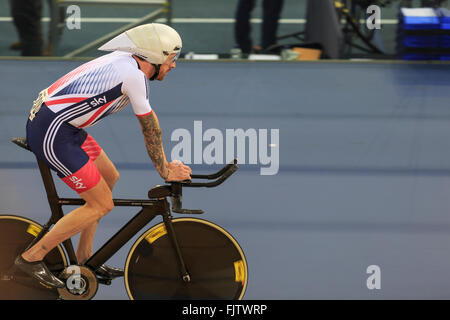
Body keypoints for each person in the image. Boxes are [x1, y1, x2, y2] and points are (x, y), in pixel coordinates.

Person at [14, 23, 192, 288]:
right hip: (53, 130)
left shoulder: (126, 60)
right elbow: (150, 128)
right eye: (171, 59)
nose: (173, 66)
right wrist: (165, 170)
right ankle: (30, 259)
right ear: (154, 57)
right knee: (101, 204)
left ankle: (86, 259)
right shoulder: (133, 76)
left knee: (109, 176)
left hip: (63, 125)